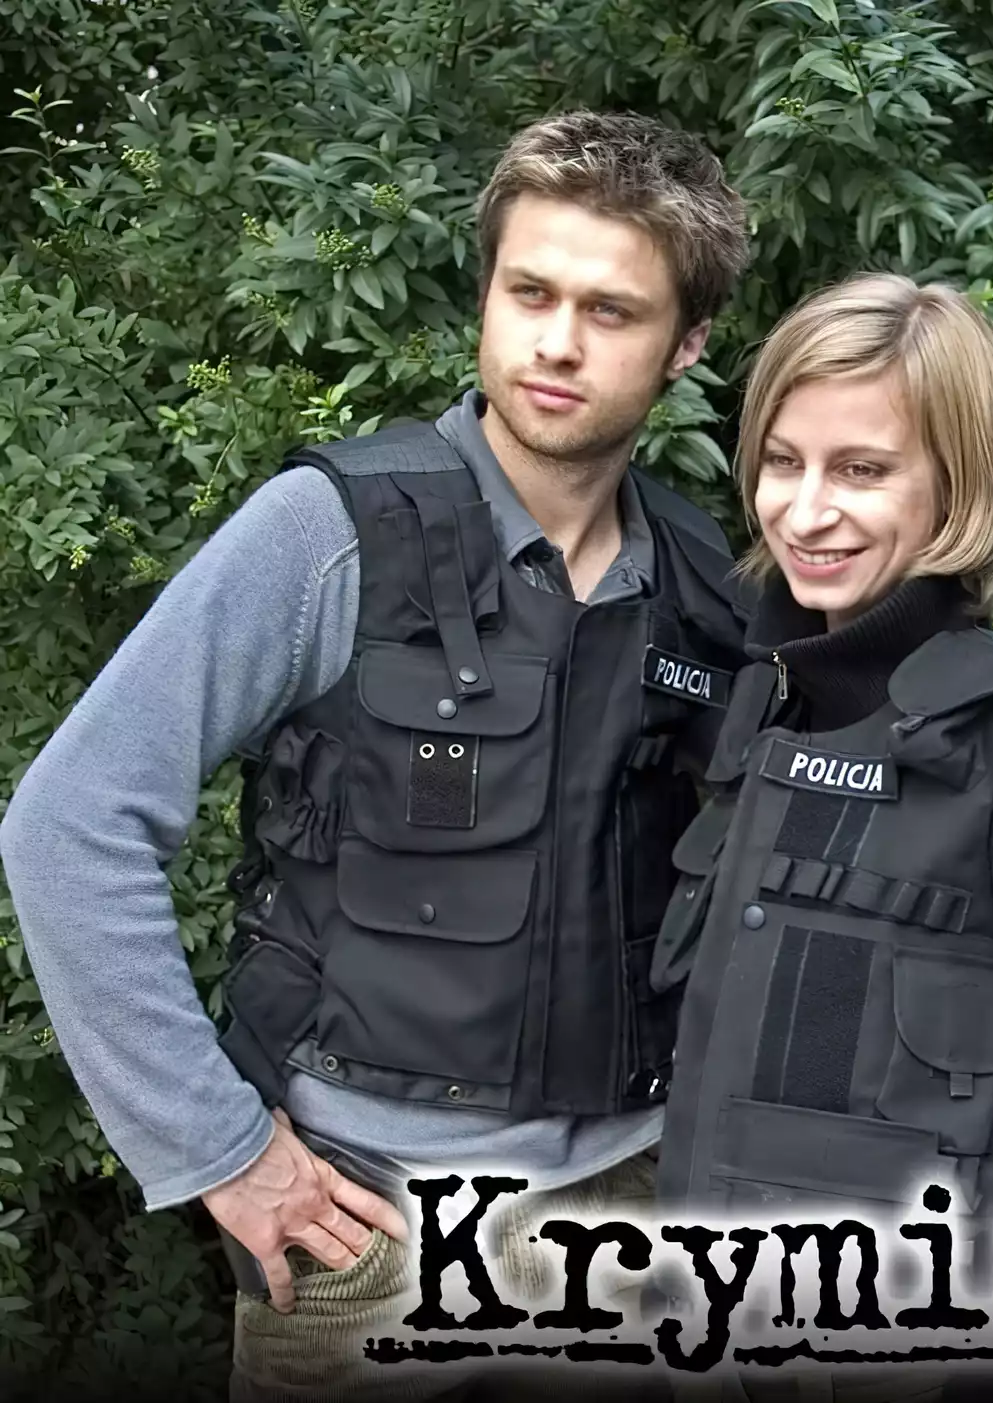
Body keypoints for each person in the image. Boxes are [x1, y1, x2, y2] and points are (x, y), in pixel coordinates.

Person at [0, 110, 754, 1400]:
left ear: (687, 342)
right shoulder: (331, 534)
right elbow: (71, 824)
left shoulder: (697, 579)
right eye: (530, 292)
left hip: (632, 1226)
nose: (557, 341)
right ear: (487, 292)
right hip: (369, 1237)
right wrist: (224, 1152)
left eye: (612, 311)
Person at [650, 272, 993, 1396]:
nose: (806, 511)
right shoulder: (765, 702)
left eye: (862, 470)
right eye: (783, 462)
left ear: (957, 487)